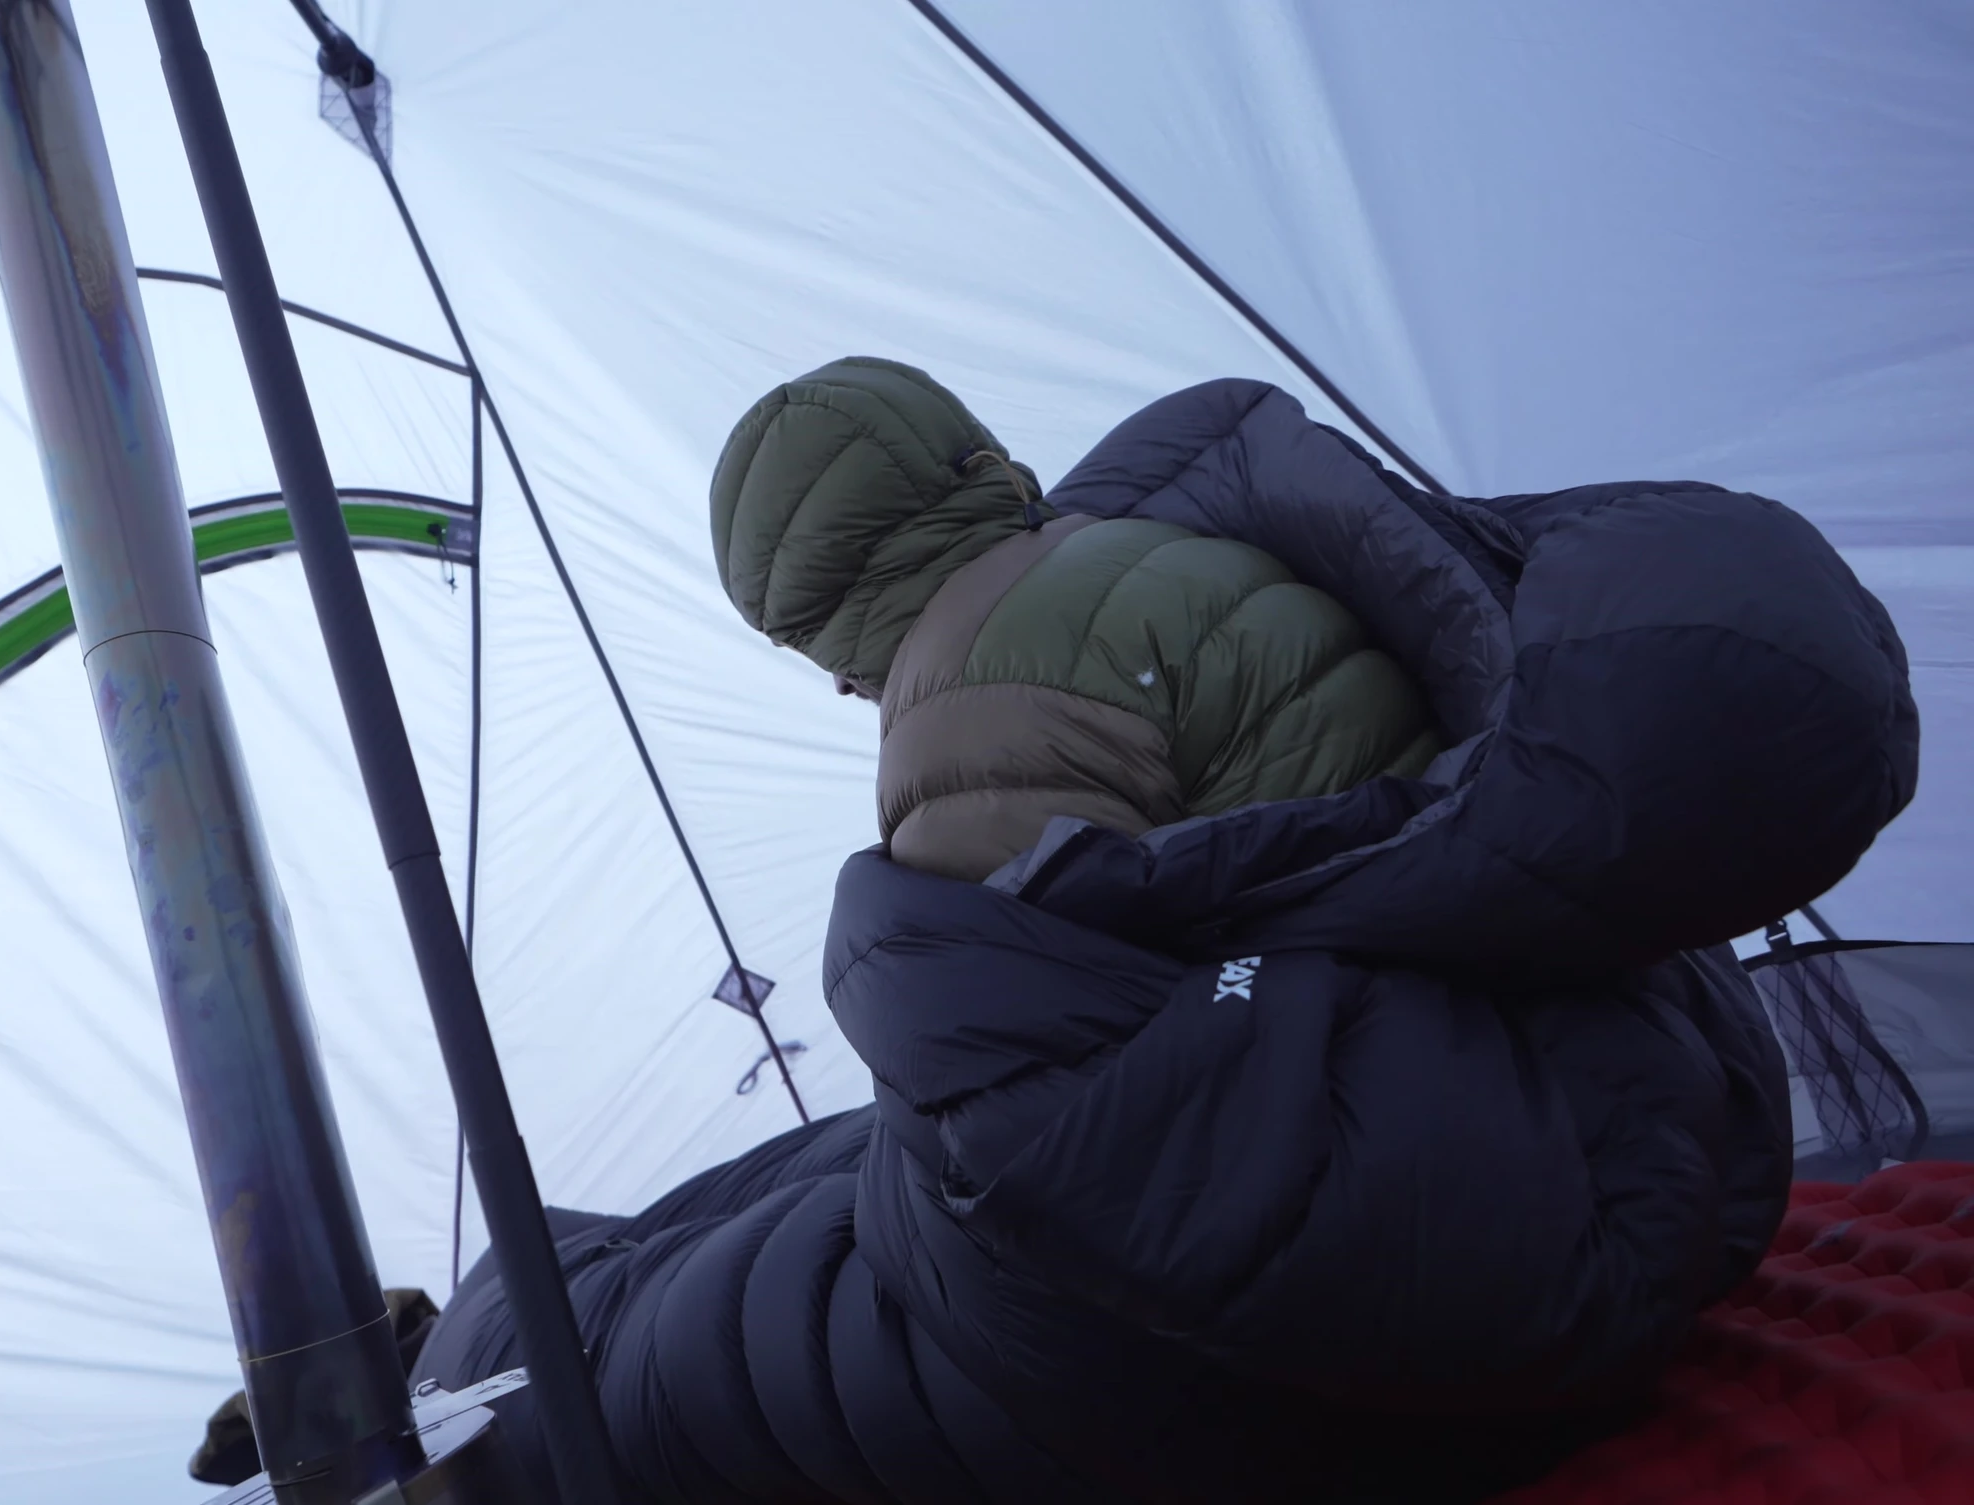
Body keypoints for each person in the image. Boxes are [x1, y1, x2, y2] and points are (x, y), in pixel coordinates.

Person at [415, 363, 1917, 1503]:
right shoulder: (1173, 555)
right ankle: (500, 1308)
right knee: (814, 1179)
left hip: (1426, 1223)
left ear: (807, 625)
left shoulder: (966, 704)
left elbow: (1039, 1094)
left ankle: (458, 1374)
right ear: (980, 464)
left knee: (718, 1345)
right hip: (1578, 1078)